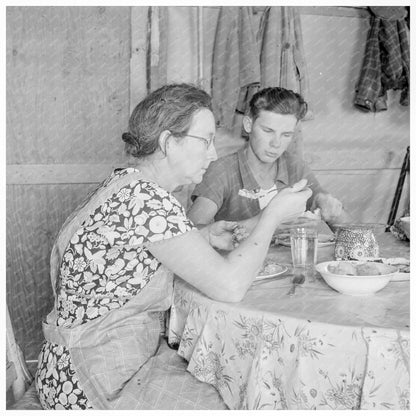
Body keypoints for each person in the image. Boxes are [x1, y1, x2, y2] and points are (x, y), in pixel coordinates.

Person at [35, 83, 312, 410]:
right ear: (168, 142)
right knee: (247, 396)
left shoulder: (127, 185)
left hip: (74, 366)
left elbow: (138, 251)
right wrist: (273, 215)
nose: (212, 153)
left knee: (235, 381)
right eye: (206, 141)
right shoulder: (147, 201)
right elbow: (232, 286)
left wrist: (204, 235)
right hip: (94, 383)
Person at [188, 87, 350, 232]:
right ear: (248, 124)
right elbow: (191, 232)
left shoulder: (295, 166)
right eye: (267, 131)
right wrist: (268, 218)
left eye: (286, 135)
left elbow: (347, 226)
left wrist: (329, 206)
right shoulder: (221, 170)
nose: (276, 143)